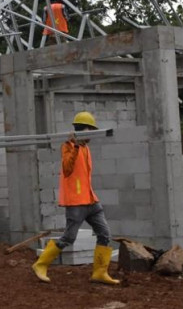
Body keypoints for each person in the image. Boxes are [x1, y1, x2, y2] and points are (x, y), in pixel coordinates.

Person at [31, 111, 119, 285]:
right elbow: (67, 169)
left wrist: (81, 146)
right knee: (68, 238)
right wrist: (75, 146)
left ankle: (100, 272)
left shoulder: (86, 148)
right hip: (76, 202)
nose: (92, 135)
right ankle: (40, 264)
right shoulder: (69, 146)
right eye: (90, 130)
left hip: (91, 200)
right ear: (82, 130)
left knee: (104, 234)